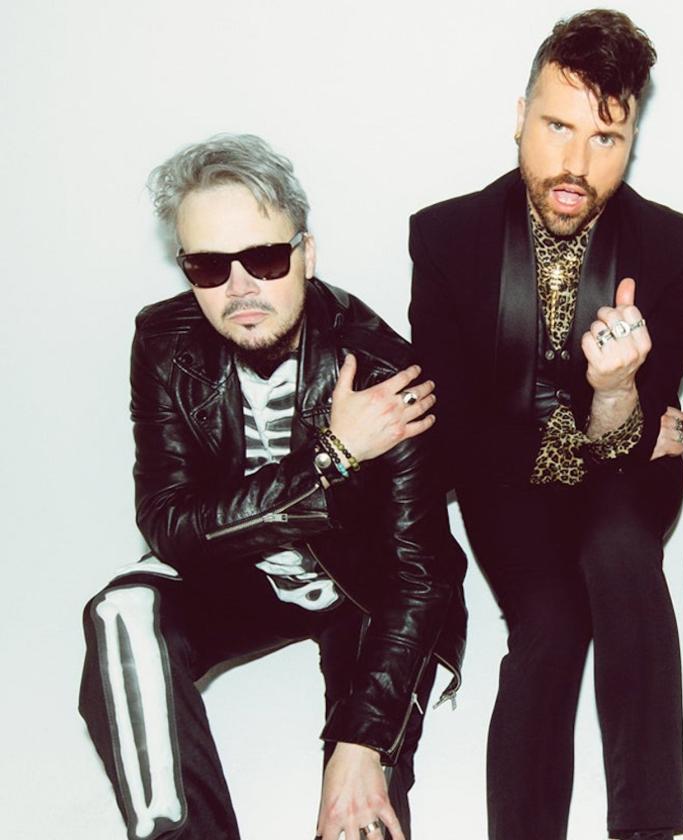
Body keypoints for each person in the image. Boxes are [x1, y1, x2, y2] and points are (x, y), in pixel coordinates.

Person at [78, 134, 468, 840]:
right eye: (208, 265)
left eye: (263, 258)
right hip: (239, 578)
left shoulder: (385, 372)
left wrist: (361, 745)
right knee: (122, 613)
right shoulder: (164, 342)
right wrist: (333, 457)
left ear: (306, 254)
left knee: (358, 814)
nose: (239, 288)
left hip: (360, 591)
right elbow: (169, 526)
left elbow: (422, 574)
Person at [406, 10, 683, 840]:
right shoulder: (446, 237)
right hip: (504, 490)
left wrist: (615, 392)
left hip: (624, 482)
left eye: (606, 138)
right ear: (519, 117)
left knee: (619, 552)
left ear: (632, 141)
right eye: (557, 127)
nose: (576, 164)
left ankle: (647, 826)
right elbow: (453, 426)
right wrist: (610, 426)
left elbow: (636, 442)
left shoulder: (676, 248)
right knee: (551, 623)